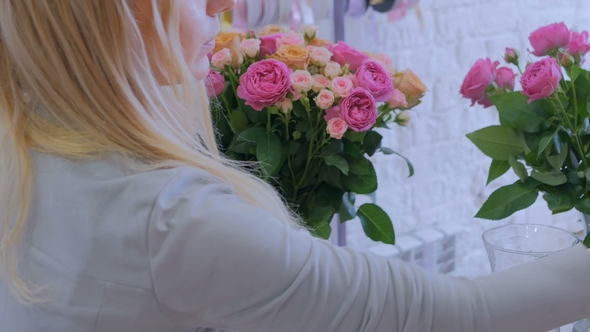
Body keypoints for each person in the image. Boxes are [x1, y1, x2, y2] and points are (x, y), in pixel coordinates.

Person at [0, 0, 589, 331]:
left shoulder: (23, 142)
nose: (221, 6)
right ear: (121, 17)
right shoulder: (172, 221)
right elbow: (458, 316)